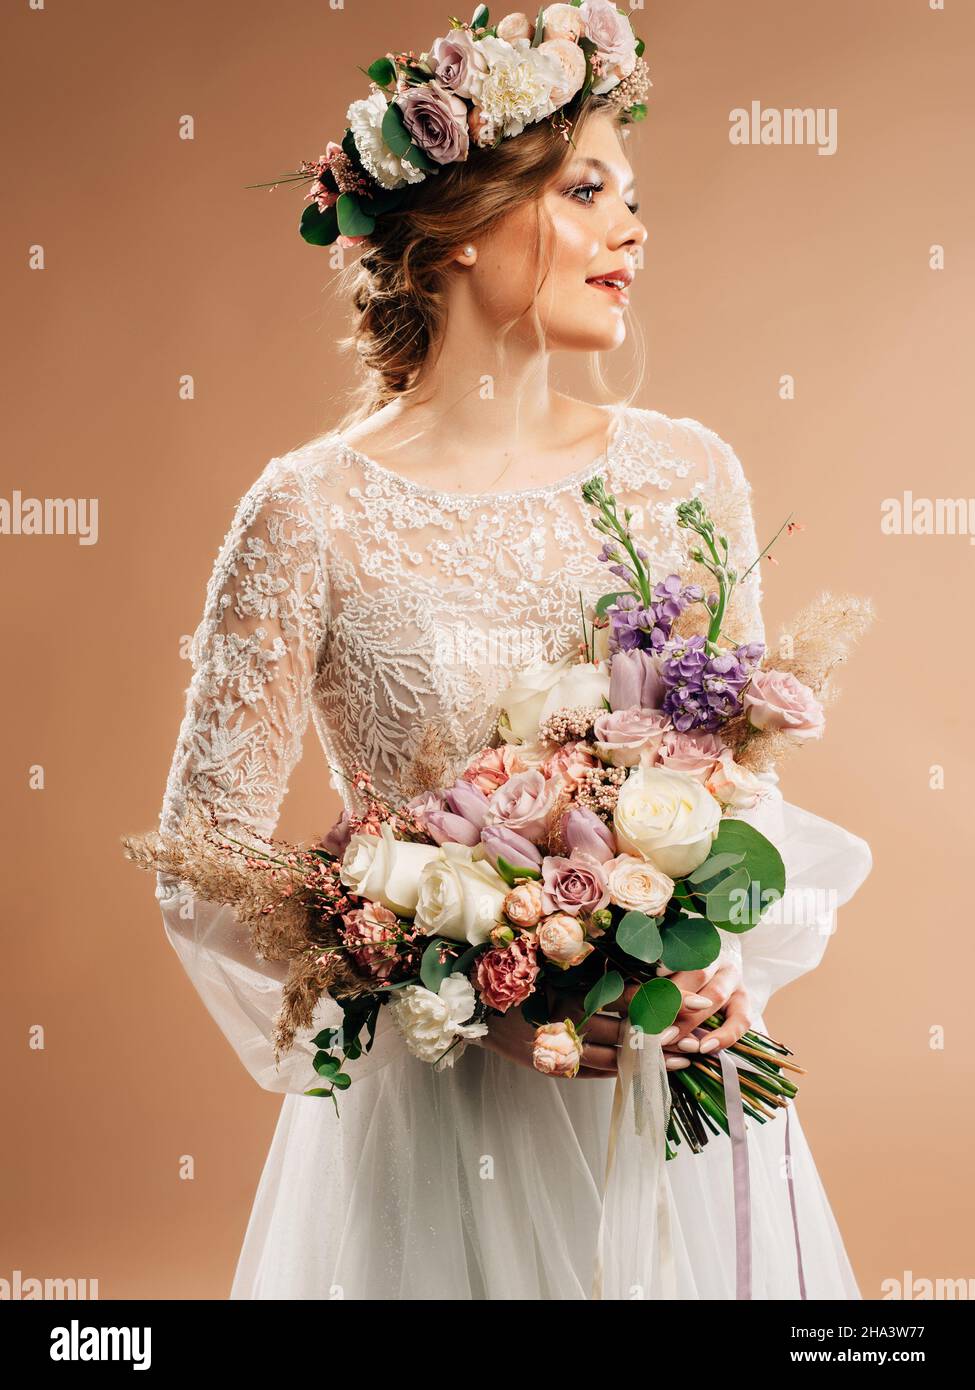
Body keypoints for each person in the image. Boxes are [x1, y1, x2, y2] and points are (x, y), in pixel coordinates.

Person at [154, 8, 872, 1299]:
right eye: (587, 190)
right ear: (466, 219)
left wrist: (700, 957)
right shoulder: (307, 511)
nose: (633, 230)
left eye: (633, 196)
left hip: (661, 1105)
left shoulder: (688, 474)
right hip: (437, 1125)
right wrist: (438, 962)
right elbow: (202, 865)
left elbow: (743, 795)